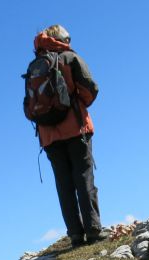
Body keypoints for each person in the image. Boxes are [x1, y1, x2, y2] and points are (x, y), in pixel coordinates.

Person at [32, 25, 107, 247]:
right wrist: (78, 103)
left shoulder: (37, 65)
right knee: (83, 177)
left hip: (48, 136)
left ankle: (75, 234)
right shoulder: (68, 58)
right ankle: (93, 230)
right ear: (62, 38)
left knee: (63, 184)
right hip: (75, 128)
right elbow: (90, 89)